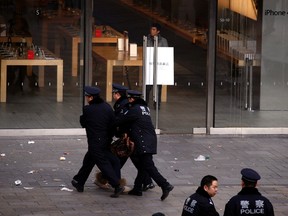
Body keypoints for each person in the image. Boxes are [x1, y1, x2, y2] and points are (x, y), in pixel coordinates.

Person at [114, 90, 173, 200]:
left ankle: (165, 185)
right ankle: (137, 189)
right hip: (149, 140)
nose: (129, 101)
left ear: (132, 99)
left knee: (149, 166)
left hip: (143, 142)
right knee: (142, 166)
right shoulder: (144, 108)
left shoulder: (134, 110)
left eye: (130, 99)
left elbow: (120, 120)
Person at [71, 86, 124, 198]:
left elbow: (84, 123)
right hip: (105, 140)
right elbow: (113, 124)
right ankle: (79, 182)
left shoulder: (88, 109)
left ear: (90, 98)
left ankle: (117, 185)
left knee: (102, 163)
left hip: (95, 141)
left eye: (86, 96)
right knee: (89, 161)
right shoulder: (107, 107)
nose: (86, 98)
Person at [146, 23, 168, 110]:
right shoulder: (147, 39)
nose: (152, 31)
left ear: (158, 31)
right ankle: (146, 102)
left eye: (154, 29)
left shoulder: (163, 41)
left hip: (159, 66)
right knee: (148, 86)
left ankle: (157, 103)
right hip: (150, 65)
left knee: (158, 86)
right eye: (151, 29)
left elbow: (166, 53)